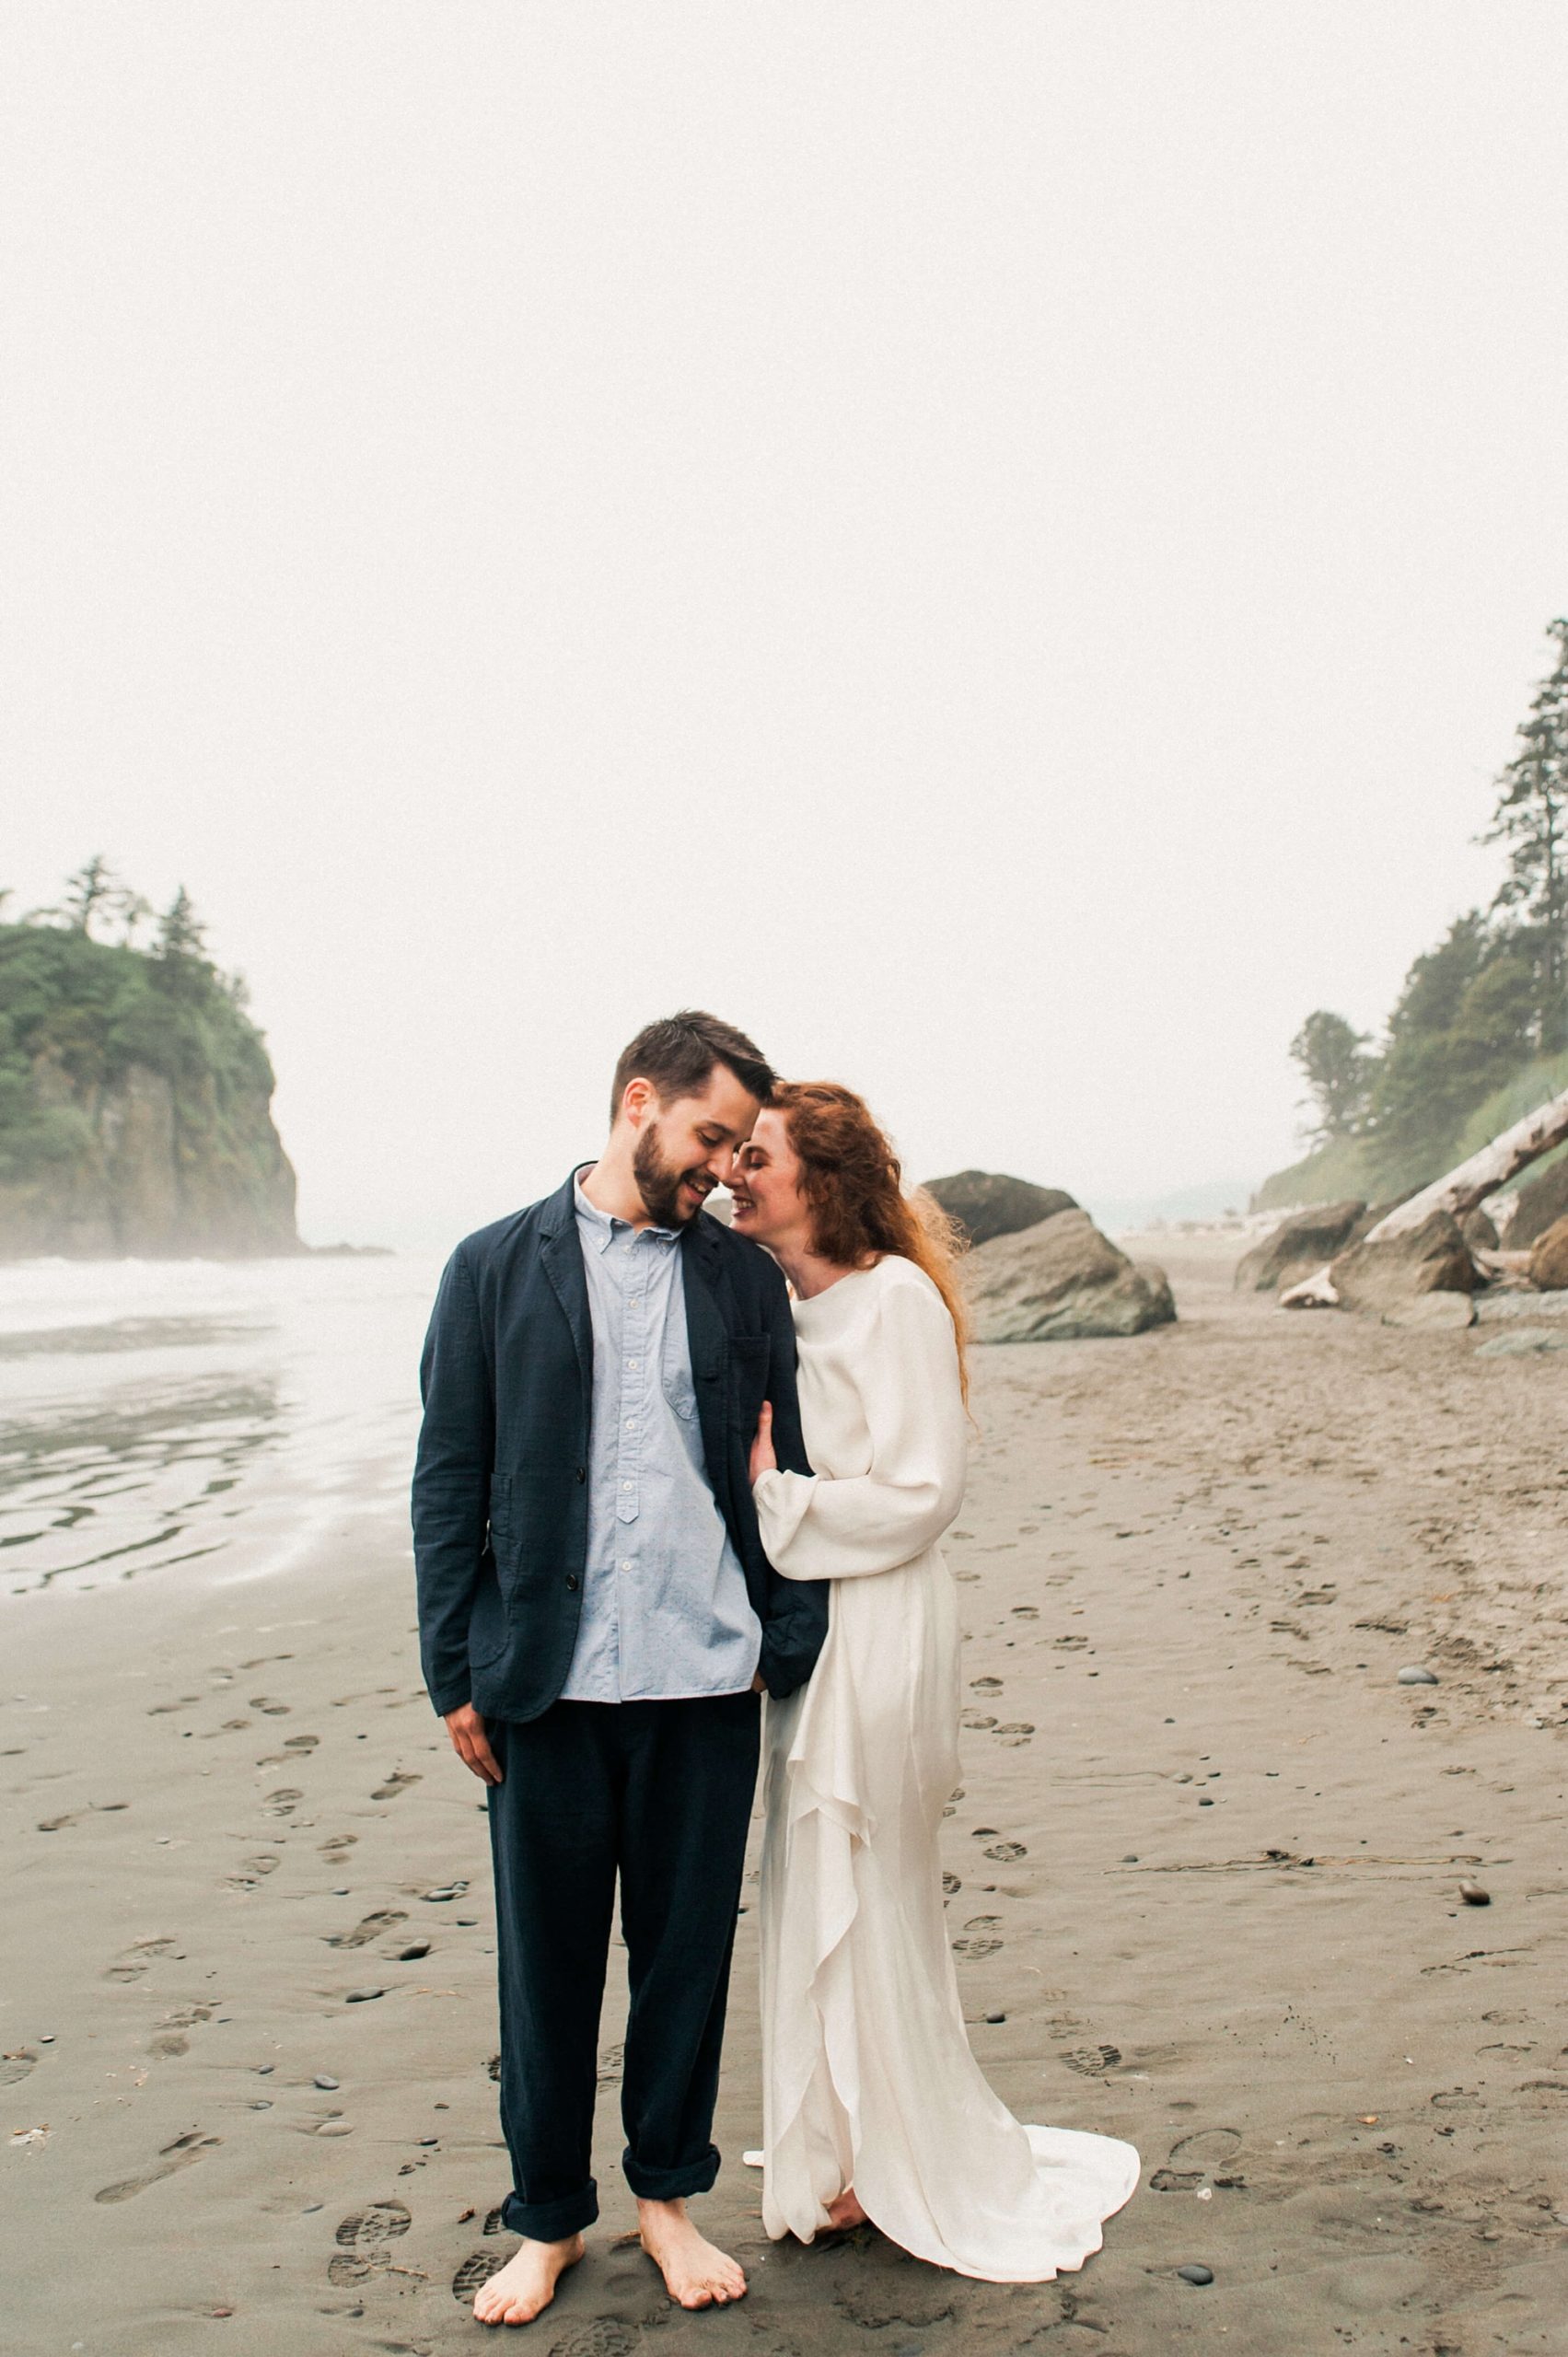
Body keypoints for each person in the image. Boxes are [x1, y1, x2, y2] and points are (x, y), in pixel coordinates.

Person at [412, 1013, 829, 2328]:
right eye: (709, 1137)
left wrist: (786, 1635)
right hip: (544, 1684)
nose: (719, 1167)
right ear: (638, 1102)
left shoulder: (739, 1281)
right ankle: (547, 2222)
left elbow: (784, 1467)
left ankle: (664, 2198)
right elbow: (448, 1481)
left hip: (705, 1678)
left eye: (738, 1149)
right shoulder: (490, 1267)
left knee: (687, 1958)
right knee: (544, 1971)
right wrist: (454, 1672)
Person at [731, 1082, 1141, 2281]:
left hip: (885, 1620)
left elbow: (922, 1496)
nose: (735, 1175)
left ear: (822, 1179)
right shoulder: (774, 1305)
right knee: (811, 1871)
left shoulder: (896, 1299)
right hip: (819, 1624)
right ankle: (843, 2142)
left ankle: (899, 2147)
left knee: (868, 1874)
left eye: (759, 1157)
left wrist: (776, 1495)